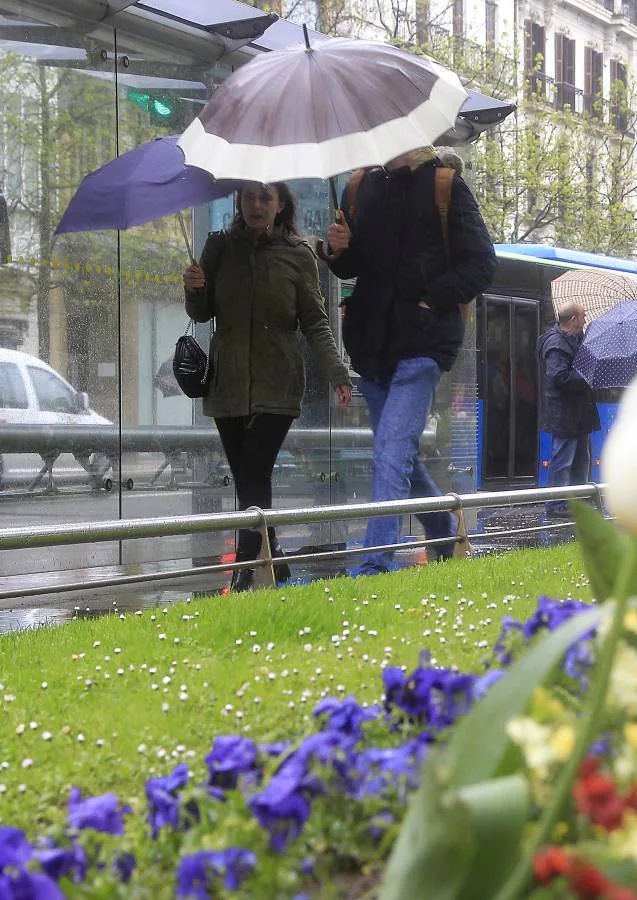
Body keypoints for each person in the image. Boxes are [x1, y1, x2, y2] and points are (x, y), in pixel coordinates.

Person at [324, 147, 497, 574]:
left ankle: (374, 564)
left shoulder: (445, 185)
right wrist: (340, 251)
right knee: (399, 454)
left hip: (423, 344)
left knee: (390, 454)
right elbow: (357, 267)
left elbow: (482, 263)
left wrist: (431, 297)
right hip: (373, 347)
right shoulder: (361, 186)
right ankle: (443, 531)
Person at [183, 182, 352, 592]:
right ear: (240, 202)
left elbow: (315, 321)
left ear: (280, 206)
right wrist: (193, 288)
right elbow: (202, 314)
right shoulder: (219, 247)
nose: (256, 206)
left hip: (279, 383)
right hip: (228, 384)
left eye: (266, 199)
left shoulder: (298, 256)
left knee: (255, 469)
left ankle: (245, 571)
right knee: (247, 479)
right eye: (250, 197)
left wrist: (338, 373)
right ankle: (273, 560)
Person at [538, 301, 600, 517]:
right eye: (583, 317)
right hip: (564, 414)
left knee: (581, 461)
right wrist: (585, 373)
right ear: (573, 319)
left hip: (579, 414)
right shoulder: (556, 344)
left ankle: (576, 503)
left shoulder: (575, 340)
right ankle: (556, 505)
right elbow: (559, 377)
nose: (585, 321)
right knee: (563, 460)